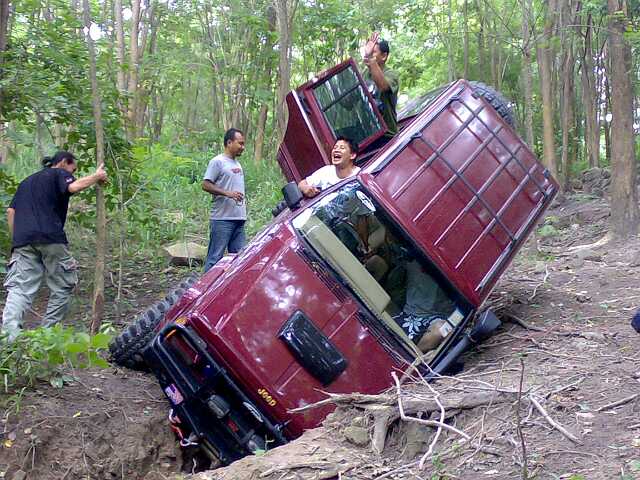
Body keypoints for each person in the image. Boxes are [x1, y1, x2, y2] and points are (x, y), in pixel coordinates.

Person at [2, 151, 108, 341]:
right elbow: (73, 187)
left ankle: (9, 337)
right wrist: (97, 176)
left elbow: (11, 211)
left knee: (19, 289)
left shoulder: (26, 181)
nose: (72, 173)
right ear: (64, 162)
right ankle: (47, 336)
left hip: (23, 241)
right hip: (51, 237)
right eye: (73, 169)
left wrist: (16, 240)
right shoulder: (59, 173)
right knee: (62, 286)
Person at [202, 128, 247, 272]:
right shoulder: (218, 162)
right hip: (222, 219)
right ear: (229, 143)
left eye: (243, 144)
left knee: (239, 259)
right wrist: (227, 193)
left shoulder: (237, 164)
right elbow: (205, 184)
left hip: (238, 218)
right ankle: (206, 286)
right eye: (240, 143)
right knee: (215, 259)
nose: (243, 147)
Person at [363, 32, 400, 136]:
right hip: (368, 135)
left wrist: (371, 59)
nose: (368, 54)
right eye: (368, 51)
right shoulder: (364, 74)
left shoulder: (392, 74)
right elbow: (349, 104)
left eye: (373, 52)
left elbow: (382, 86)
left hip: (387, 135)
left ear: (384, 56)